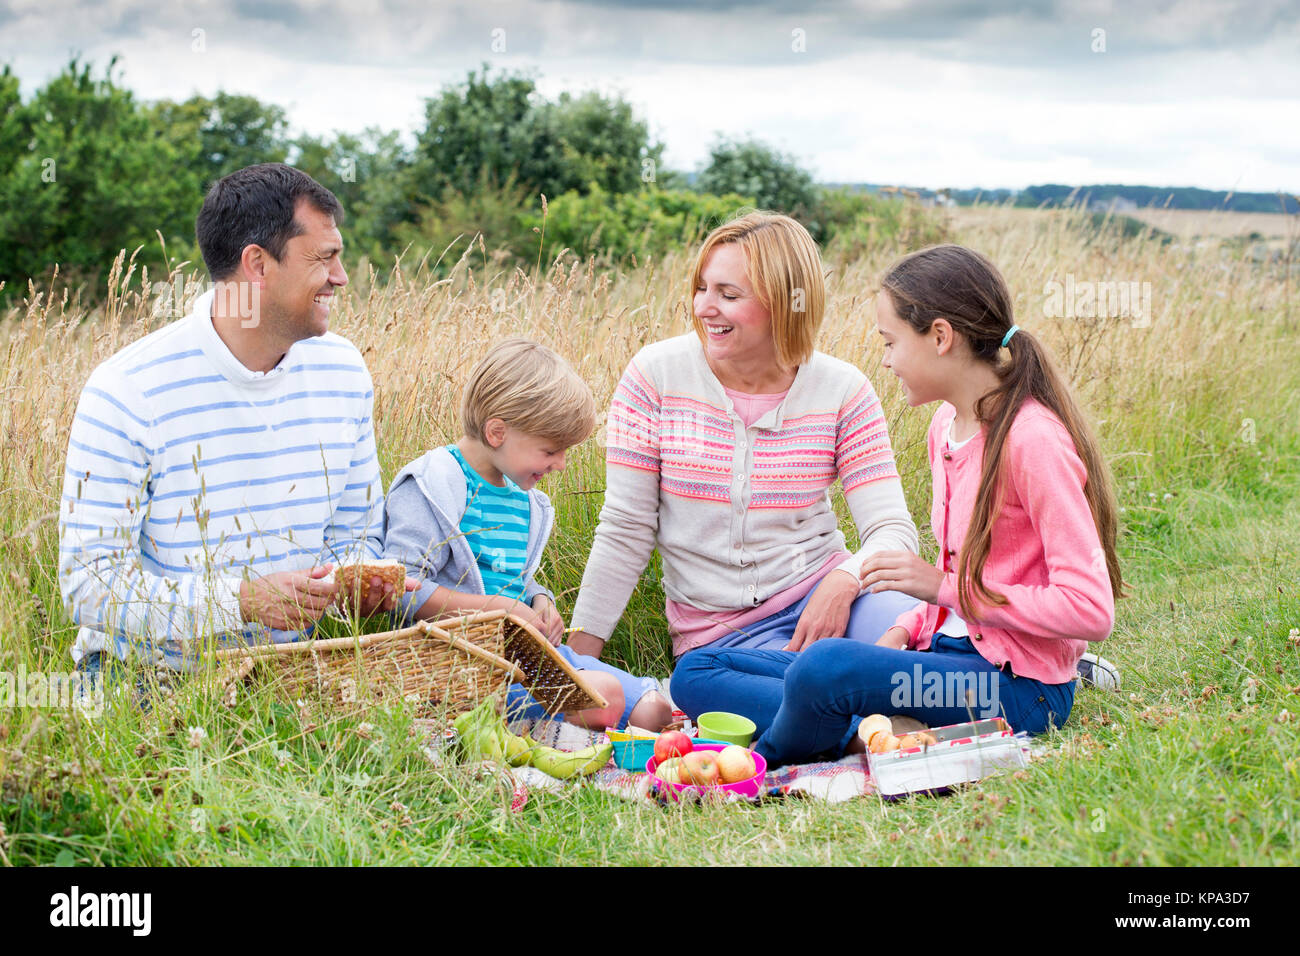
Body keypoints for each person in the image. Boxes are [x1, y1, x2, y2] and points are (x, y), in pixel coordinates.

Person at [691, 244, 1125, 768]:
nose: (886, 359)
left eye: (891, 342)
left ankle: (755, 769)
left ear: (940, 337)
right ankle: (871, 732)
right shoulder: (947, 425)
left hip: (1018, 691)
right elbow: (955, 585)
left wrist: (941, 587)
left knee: (824, 667)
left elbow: (1090, 609)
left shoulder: (1031, 440)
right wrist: (904, 629)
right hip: (943, 662)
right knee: (698, 670)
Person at [59, 163, 411, 679]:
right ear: (257, 265)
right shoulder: (127, 390)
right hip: (149, 674)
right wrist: (240, 602)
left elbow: (355, 535)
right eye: (325, 258)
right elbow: (89, 583)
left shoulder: (343, 369)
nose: (339, 277)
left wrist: (355, 583)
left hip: (296, 667)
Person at [565, 211, 920, 713]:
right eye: (702, 288)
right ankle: (858, 710)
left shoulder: (843, 390)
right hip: (723, 642)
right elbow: (625, 528)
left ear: (784, 303)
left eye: (729, 294)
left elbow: (892, 530)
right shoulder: (654, 376)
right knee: (712, 684)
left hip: (832, 605)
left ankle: (855, 704)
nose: (705, 307)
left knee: (913, 626)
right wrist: (578, 666)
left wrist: (847, 580)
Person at [383, 338, 673, 731]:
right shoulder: (433, 488)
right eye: (551, 450)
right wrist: (499, 610)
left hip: (530, 658)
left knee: (653, 709)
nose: (561, 465)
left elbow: (513, 575)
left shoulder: (521, 498)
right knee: (606, 697)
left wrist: (539, 600)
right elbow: (400, 589)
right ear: (498, 432)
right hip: (464, 665)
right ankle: (545, 726)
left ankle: (561, 721)